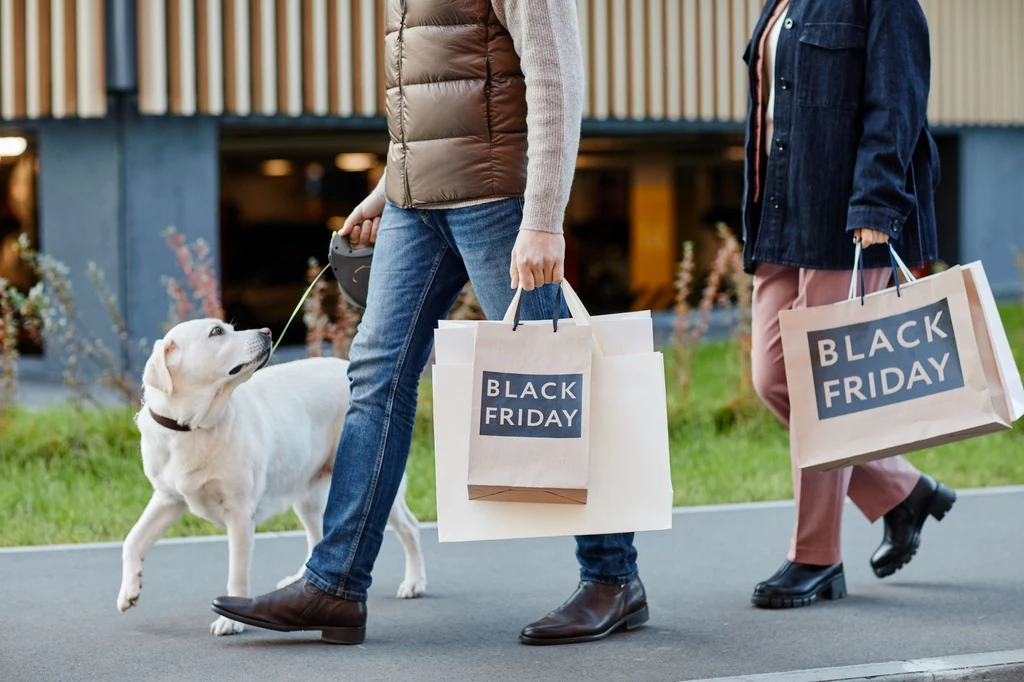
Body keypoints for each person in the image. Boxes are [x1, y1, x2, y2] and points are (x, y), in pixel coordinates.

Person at [210, 0, 646, 645]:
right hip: (417, 206)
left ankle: (613, 578)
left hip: (498, 199)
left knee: (558, 378)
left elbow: (556, 80)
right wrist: (389, 187)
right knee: (375, 378)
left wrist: (544, 217)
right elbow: (432, 101)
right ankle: (333, 587)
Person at [741, 0, 957, 608]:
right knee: (774, 376)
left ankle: (816, 557)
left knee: (821, 389)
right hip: (782, 218)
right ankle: (903, 487)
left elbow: (898, 104)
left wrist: (876, 208)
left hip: (849, 222)